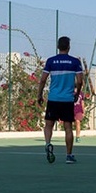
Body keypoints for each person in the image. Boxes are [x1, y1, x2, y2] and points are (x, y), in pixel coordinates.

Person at [37, 36, 84, 164]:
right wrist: (77, 93)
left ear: (58, 46)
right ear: (69, 47)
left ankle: (48, 144)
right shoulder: (75, 62)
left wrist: (39, 95)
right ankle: (69, 156)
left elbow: (43, 79)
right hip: (67, 100)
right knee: (68, 127)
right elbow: (80, 81)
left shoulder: (51, 61)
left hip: (53, 99)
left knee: (49, 124)